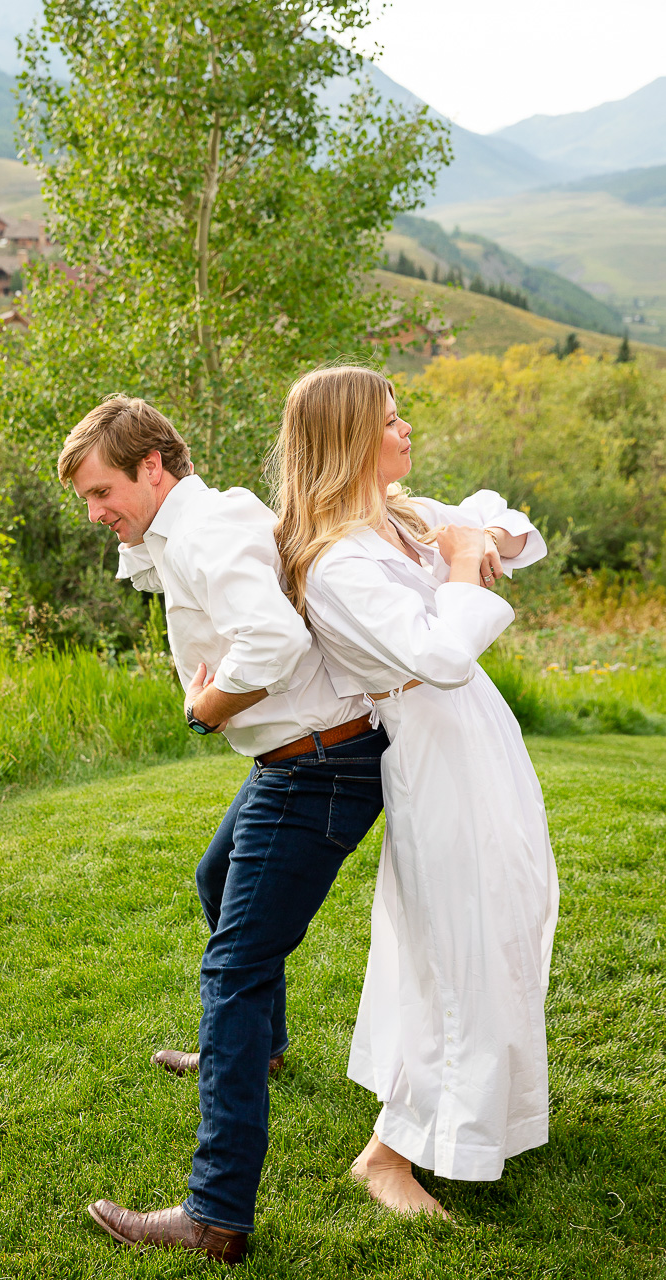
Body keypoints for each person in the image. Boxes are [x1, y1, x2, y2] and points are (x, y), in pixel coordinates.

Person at [56, 394, 397, 1263]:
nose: (95, 513)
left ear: (153, 469)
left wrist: (204, 708)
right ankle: (265, 1054)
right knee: (217, 881)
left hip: (316, 768)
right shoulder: (191, 525)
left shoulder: (204, 532)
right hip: (294, 758)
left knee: (233, 973)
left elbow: (273, 641)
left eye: (101, 492)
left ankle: (214, 1214)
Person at [271, 364, 560, 1217]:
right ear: (351, 438)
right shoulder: (332, 565)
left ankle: (481, 1116)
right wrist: (466, 563)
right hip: (429, 748)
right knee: (453, 942)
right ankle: (387, 1154)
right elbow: (437, 654)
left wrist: (480, 544)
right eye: (391, 422)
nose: (405, 431)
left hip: (479, 735)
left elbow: (494, 519)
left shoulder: (399, 517)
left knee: (512, 908)